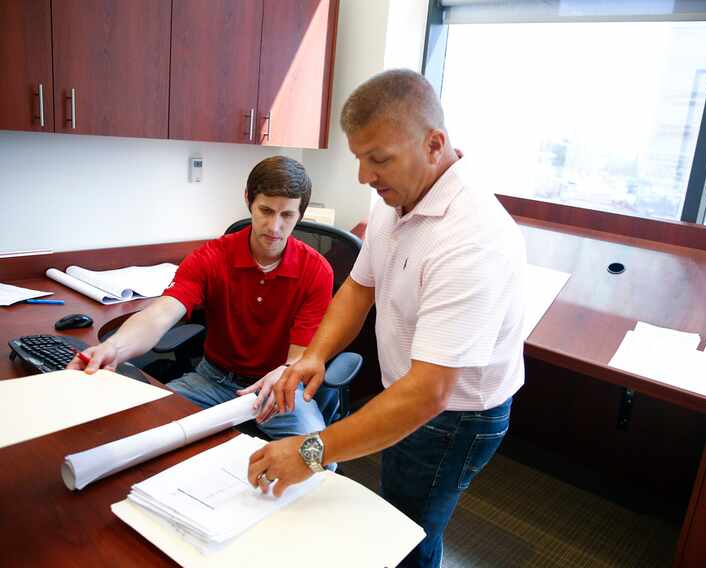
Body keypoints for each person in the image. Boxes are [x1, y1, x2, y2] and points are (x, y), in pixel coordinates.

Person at [246, 69, 526, 567]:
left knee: (407, 533)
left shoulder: (472, 238)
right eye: (359, 158)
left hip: (456, 416)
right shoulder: (396, 199)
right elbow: (358, 288)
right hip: (410, 390)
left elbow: (431, 393)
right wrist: (316, 355)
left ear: (434, 144)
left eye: (378, 159)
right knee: (393, 517)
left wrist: (311, 453)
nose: (363, 177)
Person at [68, 156, 334, 440]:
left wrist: (286, 375)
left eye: (287, 215)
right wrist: (115, 347)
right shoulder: (211, 257)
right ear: (248, 200)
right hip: (211, 379)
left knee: (317, 457)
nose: (274, 226)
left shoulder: (316, 271)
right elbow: (161, 314)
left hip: (278, 386)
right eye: (265, 210)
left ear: (301, 214)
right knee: (144, 433)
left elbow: (298, 359)